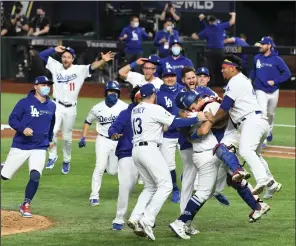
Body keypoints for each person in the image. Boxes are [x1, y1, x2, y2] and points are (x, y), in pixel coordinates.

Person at [128, 83, 207, 241]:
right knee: (166, 185)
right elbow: (175, 123)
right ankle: (147, 220)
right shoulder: (154, 108)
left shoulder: (135, 109)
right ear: (153, 95)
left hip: (136, 151)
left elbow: (159, 126)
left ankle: (135, 217)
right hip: (149, 149)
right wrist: (196, 119)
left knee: (150, 187)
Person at [205, 54, 282, 197]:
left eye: (224, 68)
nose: (222, 71)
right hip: (258, 121)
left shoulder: (235, 82)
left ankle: (262, 180)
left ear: (233, 68)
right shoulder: (241, 80)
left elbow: (225, 106)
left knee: (246, 151)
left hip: (251, 121)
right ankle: (272, 183)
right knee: (256, 155)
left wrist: (213, 118)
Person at [39, 45, 114, 174]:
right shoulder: (55, 66)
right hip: (56, 105)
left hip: (71, 108)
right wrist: (54, 50)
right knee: (52, 131)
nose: (66, 59)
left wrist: (102, 60)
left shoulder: (79, 70)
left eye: (68, 57)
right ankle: (52, 156)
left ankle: (67, 160)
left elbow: (92, 66)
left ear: (73, 59)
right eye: (64, 56)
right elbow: (42, 55)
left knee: (67, 137)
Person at [1, 76, 56, 218]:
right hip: (21, 145)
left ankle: (26, 204)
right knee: (5, 176)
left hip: (40, 146)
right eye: (43, 84)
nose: (47, 87)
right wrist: (22, 128)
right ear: (36, 86)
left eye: (48, 85)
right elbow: (12, 119)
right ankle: (3, 167)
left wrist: (49, 140)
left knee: (35, 175)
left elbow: (51, 124)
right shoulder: (24, 103)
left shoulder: (52, 105)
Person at [78, 81, 128, 206]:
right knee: (99, 167)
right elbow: (88, 121)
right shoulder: (97, 107)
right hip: (103, 139)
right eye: (110, 91)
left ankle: (107, 166)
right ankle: (94, 195)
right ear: (106, 92)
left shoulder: (124, 107)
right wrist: (83, 137)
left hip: (117, 141)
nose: (113, 94)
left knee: (112, 171)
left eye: (115, 92)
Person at [109, 86, 142, 231]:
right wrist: (114, 133)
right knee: (125, 185)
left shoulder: (153, 111)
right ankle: (119, 217)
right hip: (127, 154)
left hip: (147, 154)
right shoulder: (126, 113)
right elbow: (114, 127)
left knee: (153, 186)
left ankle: (143, 217)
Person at [250, 36, 291, 151]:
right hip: (260, 89)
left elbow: (286, 73)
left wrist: (275, 81)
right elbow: (253, 70)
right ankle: (263, 139)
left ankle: (269, 130)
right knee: (262, 112)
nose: (261, 46)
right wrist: (249, 80)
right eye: (260, 44)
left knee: (270, 114)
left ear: (269, 45)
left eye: (263, 44)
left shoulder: (277, 60)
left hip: (273, 91)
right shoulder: (257, 58)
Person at [156, 68, 183, 203]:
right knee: (169, 165)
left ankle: (190, 184)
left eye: (172, 76)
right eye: (167, 76)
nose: (170, 79)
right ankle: (175, 188)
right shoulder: (158, 94)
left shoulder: (183, 90)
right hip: (168, 135)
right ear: (162, 78)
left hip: (184, 133)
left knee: (192, 161)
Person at [191, 13, 236, 86]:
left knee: (210, 68)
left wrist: (193, 35)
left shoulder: (207, 29)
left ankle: (210, 84)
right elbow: (232, 22)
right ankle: (224, 84)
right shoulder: (220, 26)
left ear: (209, 22)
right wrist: (234, 15)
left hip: (211, 51)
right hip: (221, 51)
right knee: (223, 67)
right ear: (215, 21)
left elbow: (195, 37)